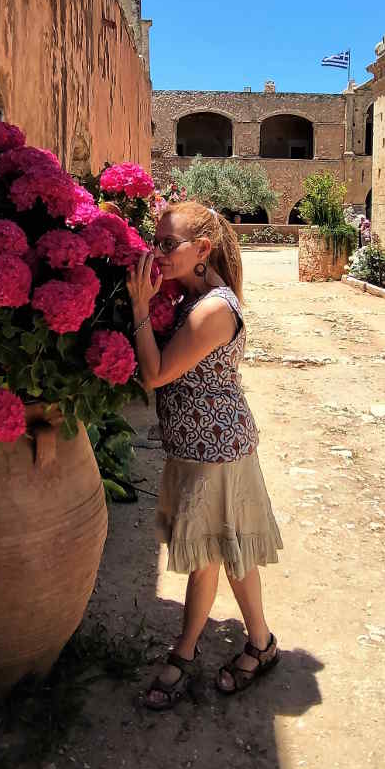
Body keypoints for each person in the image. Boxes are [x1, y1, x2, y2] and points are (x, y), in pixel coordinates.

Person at [126, 200, 283, 709]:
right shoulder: (196, 294)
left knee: (213, 556)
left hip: (214, 451)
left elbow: (155, 374)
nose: (158, 251)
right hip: (202, 446)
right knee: (223, 551)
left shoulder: (214, 309)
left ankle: (186, 653)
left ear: (203, 250)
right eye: (157, 239)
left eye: (169, 244)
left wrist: (137, 310)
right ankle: (258, 645)